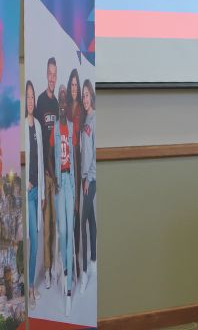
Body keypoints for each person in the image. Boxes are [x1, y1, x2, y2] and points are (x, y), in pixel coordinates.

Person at [34, 57, 59, 292]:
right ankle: (48, 270)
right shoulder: (41, 102)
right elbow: (40, 143)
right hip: (46, 177)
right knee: (47, 227)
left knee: (56, 223)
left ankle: (56, 267)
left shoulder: (57, 106)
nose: (52, 78)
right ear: (46, 74)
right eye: (49, 73)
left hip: (59, 176)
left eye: (55, 74)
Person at [53, 85, 76, 315]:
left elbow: (75, 161)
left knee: (70, 230)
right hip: (60, 185)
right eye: (59, 99)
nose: (61, 103)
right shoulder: (54, 131)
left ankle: (69, 288)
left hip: (71, 184)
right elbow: (52, 159)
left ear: (66, 104)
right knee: (61, 232)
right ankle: (64, 264)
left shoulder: (71, 127)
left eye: (63, 99)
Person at [24, 80, 43, 307]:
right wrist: (26, 184)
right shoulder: (21, 126)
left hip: (38, 193)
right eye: (27, 97)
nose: (30, 101)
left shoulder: (37, 125)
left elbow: (39, 160)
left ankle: (30, 286)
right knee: (32, 240)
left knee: (36, 242)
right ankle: (28, 288)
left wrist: (44, 195)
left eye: (32, 97)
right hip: (28, 193)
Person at [78, 79, 97, 294]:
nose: (84, 98)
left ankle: (84, 272)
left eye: (86, 94)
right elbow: (84, 152)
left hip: (91, 179)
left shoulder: (95, 119)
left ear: (92, 95)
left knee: (82, 221)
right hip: (85, 177)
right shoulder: (85, 119)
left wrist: (87, 178)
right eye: (82, 95)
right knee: (90, 218)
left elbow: (94, 154)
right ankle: (93, 261)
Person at [67, 68, 83, 285]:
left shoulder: (81, 109)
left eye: (75, 85)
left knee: (77, 213)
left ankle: (78, 261)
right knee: (68, 214)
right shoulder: (66, 111)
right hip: (66, 165)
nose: (73, 88)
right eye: (70, 85)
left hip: (78, 163)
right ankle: (69, 260)